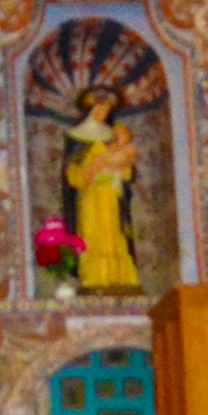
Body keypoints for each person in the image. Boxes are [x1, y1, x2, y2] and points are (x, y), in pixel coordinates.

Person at [64, 92, 144, 295]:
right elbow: (71, 172)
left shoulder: (112, 136)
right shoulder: (77, 136)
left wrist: (120, 167)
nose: (102, 113)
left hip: (111, 194)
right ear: (89, 110)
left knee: (114, 233)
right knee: (93, 233)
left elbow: (128, 171)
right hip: (91, 194)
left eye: (106, 110)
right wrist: (90, 171)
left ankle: (118, 277)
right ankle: (93, 277)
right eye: (98, 108)